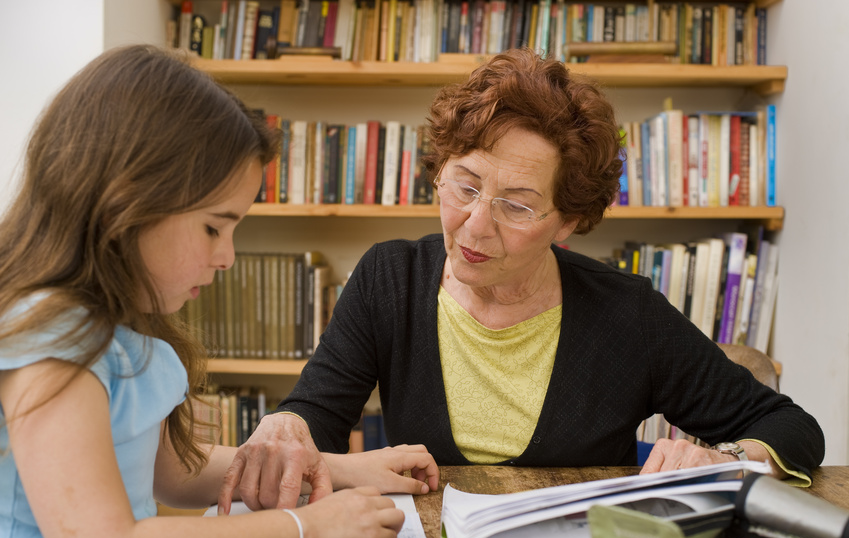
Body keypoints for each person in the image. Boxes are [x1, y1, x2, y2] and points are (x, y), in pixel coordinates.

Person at [220, 47, 825, 512]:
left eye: (517, 204)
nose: (475, 226)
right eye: (465, 186)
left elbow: (793, 429)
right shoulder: (390, 278)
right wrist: (285, 425)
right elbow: (315, 417)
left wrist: (721, 459)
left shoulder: (626, 313)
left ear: (569, 221)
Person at [0, 44, 439, 538]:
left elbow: (170, 473)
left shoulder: (127, 330)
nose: (227, 257)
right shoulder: (52, 339)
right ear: (125, 202)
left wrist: (334, 468)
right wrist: (306, 529)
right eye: (213, 227)